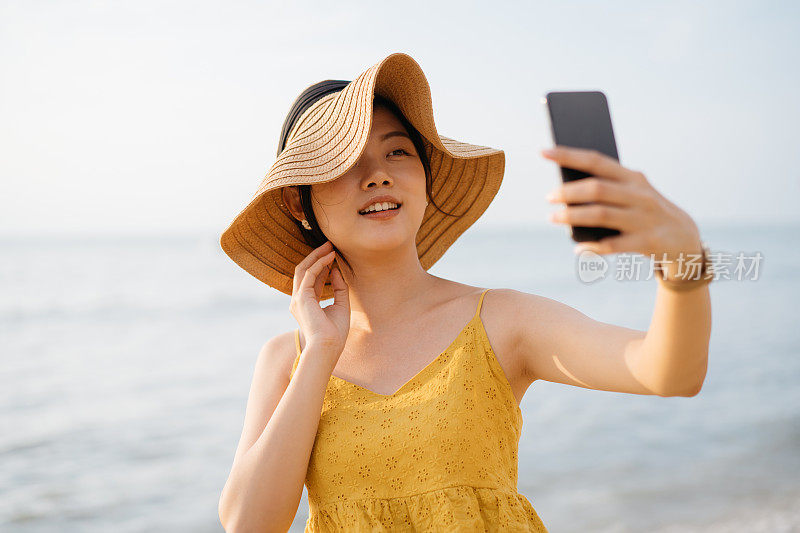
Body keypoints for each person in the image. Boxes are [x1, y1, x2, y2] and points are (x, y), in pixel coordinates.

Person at [217, 52, 713, 532]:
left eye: (398, 151)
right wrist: (322, 352)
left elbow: (669, 371)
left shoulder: (501, 321)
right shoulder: (290, 359)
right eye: (345, 162)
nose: (380, 174)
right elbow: (249, 524)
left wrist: (682, 255)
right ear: (298, 202)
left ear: (426, 177)